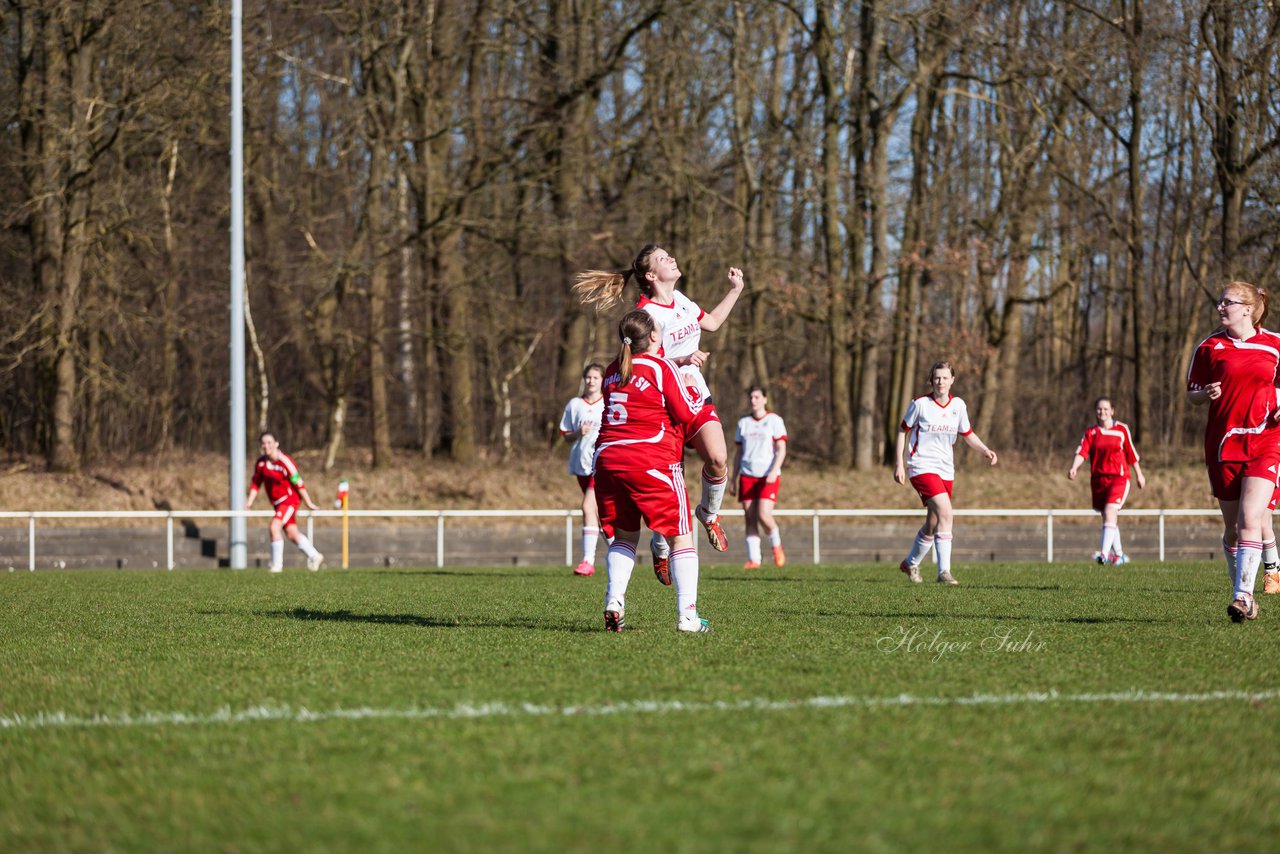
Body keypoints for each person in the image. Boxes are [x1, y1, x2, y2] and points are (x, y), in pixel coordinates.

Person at [574, 245, 745, 569]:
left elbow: (711, 323)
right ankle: (661, 545)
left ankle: (707, 515)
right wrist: (679, 359)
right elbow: (640, 362)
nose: (673, 259)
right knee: (668, 484)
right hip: (660, 403)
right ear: (651, 275)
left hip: (693, 393)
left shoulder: (680, 299)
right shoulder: (646, 312)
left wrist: (735, 291)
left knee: (719, 458)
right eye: (664, 258)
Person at [592, 309, 712, 633]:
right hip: (651, 461)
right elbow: (686, 414)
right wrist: (689, 384)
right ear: (655, 337)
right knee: (681, 538)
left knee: (626, 536)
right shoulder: (662, 367)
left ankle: (615, 601)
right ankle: (688, 618)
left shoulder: (612, 370)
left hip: (607, 462)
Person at [1187, 281, 1280, 623]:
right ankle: (1242, 591)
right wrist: (1205, 394)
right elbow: (1191, 394)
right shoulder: (1209, 347)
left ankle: (1243, 596)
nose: (1220, 307)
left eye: (1227, 302)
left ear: (1247, 308)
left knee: (1250, 519)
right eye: (1219, 302)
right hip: (1223, 444)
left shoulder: (1275, 344)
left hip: (1266, 440)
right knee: (1232, 531)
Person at [893, 360, 998, 586]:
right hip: (921, 467)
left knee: (933, 520)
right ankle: (944, 572)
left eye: (944, 378)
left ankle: (910, 563)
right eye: (936, 378)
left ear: (952, 380)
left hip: (945, 470)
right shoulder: (920, 404)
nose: (940, 382)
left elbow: (967, 433)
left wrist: (985, 450)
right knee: (946, 513)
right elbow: (902, 431)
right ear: (931, 380)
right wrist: (899, 464)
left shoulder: (958, 405)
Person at [1067, 397, 1146, 566]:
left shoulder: (1121, 430)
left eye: (1105, 409)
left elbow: (1131, 454)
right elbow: (1082, 452)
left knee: (1111, 510)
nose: (1102, 412)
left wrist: (1139, 475)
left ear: (1112, 411)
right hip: (1098, 480)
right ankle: (1119, 555)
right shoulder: (1091, 433)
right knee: (1108, 517)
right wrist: (1074, 468)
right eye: (1099, 409)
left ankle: (1103, 554)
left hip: (1119, 478)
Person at [244, 431, 324, 572]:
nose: (266, 445)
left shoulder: (285, 462)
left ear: (276, 444)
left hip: (289, 501)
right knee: (291, 534)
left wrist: (308, 502)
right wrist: (249, 502)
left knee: (274, 527)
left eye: (269, 442)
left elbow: (298, 483)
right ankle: (315, 556)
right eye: (263, 443)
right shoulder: (261, 463)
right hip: (277, 504)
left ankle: (277, 566)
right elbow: (256, 483)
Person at [731, 385, 788, 569]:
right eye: (751, 397)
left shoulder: (774, 420)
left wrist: (774, 470)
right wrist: (733, 478)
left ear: (764, 399)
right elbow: (738, 453)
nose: (753, 400)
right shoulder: (743, 423)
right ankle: (754, 559)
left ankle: (776, 545)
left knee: (764, 514)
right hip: (747, 475)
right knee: (749, 516)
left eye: (757, 397)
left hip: (767, 476)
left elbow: (781, 449)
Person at [559, 363, 606, 577]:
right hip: (581, 464)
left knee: (588, 507)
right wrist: (578, 432)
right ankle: (620, 551)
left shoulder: (608, 402)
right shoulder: (575, 404)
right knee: (600, 514)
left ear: (602, 380)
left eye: (595, 377)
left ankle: (588, 561)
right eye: (588, 377)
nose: (591, 381)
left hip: (601, 464)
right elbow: (565, 434)